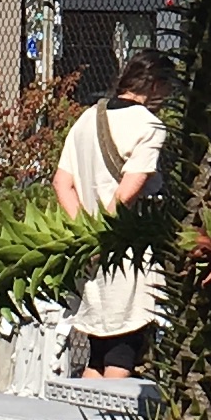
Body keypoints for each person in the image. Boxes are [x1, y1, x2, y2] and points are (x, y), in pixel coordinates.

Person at [54, 53, 173, 375]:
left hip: (91, 256)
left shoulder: (87, 117)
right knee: (125, 348)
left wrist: (87, 232)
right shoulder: (149, 125)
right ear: (156, 85)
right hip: (129, 252)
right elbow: (129, 189)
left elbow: (62, 182)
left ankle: (85, 407)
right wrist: (106, 232)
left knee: (97, 351)